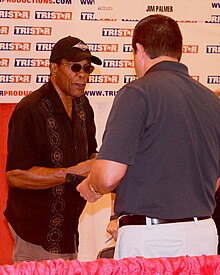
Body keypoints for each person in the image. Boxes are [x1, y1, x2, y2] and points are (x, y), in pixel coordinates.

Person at [77, 14, 220, 259]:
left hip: (151, 237)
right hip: (203, 234)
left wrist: (92, 184)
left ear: (139, 50)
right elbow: (215, 181)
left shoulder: (137, 93)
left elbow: (109, 175)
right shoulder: (212, 101)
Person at [4, 36, 102, 262]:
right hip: (34, 234)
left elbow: (91, 153)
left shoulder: (83, 106)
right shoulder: (30, 110)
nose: (83, 74)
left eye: (88, 68)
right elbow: (16, 175)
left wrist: (100, 170)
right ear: (53, 68)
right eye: (75, 66)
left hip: (69, 232)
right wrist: (72, 173)